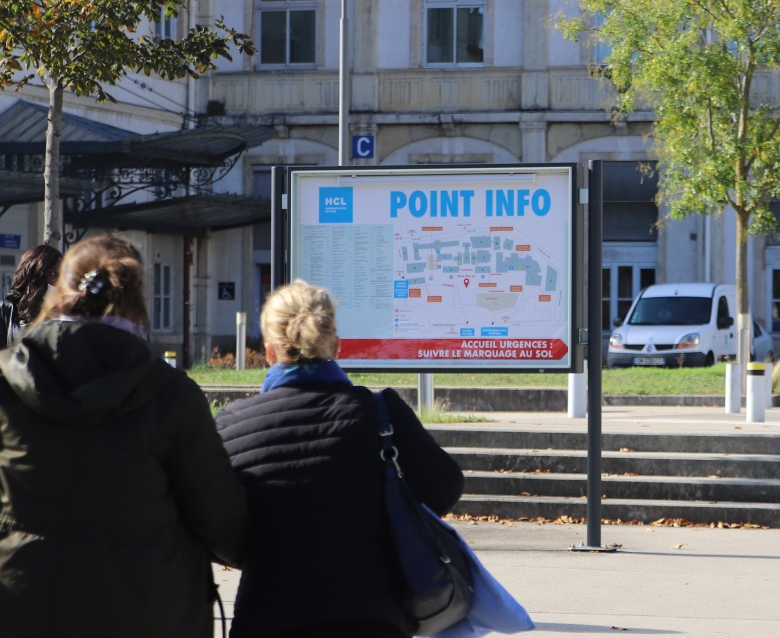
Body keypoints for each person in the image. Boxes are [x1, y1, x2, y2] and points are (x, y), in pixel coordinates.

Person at [0, 234, 247, 637]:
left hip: (22, 605)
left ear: (60, 290)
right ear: (136, 298)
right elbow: (220, 517)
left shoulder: (7, 385)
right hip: (148, 608)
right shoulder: (172, 395)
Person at [215, 279, 465, 638]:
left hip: (268, 615)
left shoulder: (232, 425)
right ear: (337, 344)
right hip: (371, 614)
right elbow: (445, 486)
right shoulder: (382, 413)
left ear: (268, 352)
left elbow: (214, 523)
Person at [1, 243, 63, 347]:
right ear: (34, 275)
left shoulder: (66, 312)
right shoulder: (6, 311)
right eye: (53, 274)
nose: (60, 282)